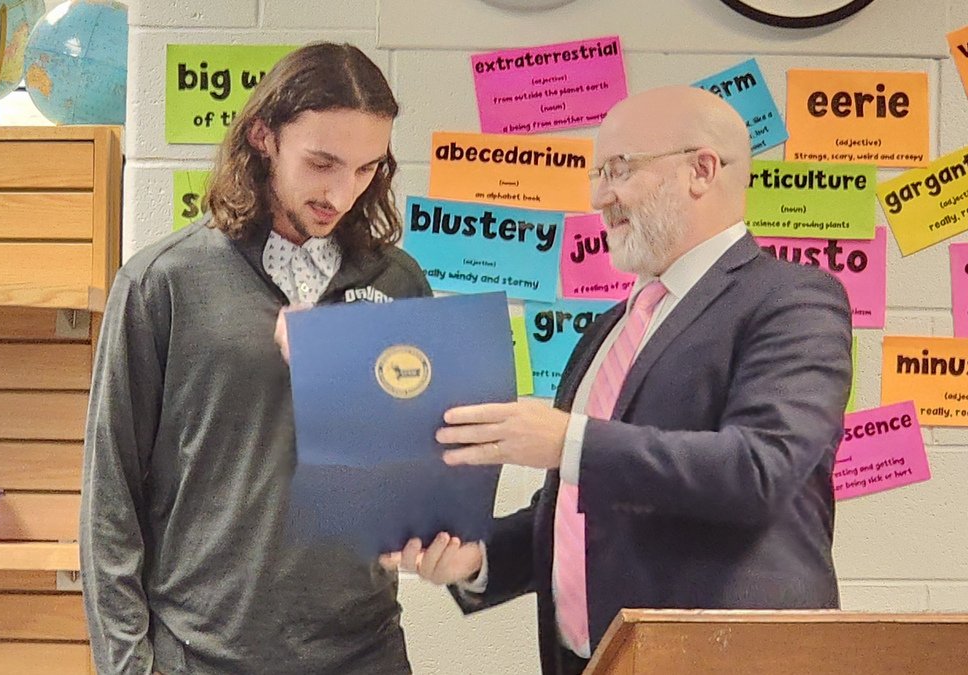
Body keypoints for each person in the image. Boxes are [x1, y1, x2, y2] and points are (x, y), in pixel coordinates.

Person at [386, 85, 853, 675]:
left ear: (701, 170)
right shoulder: (610, 327)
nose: (599, 196)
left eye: (619, 169)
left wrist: (567, 441)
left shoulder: (794, 301)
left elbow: (760, 470)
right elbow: (579, 506)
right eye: (597, 174)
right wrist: (481, 559)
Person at [81, 42, 432, 675]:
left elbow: (420, 471)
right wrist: (128, 666)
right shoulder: (162, 282)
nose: (341, 193)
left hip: (365, 651)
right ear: (263, 136)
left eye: (365, 169)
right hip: (201, 654)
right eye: (321, 163)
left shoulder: (400, 283)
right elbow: (110, 498)